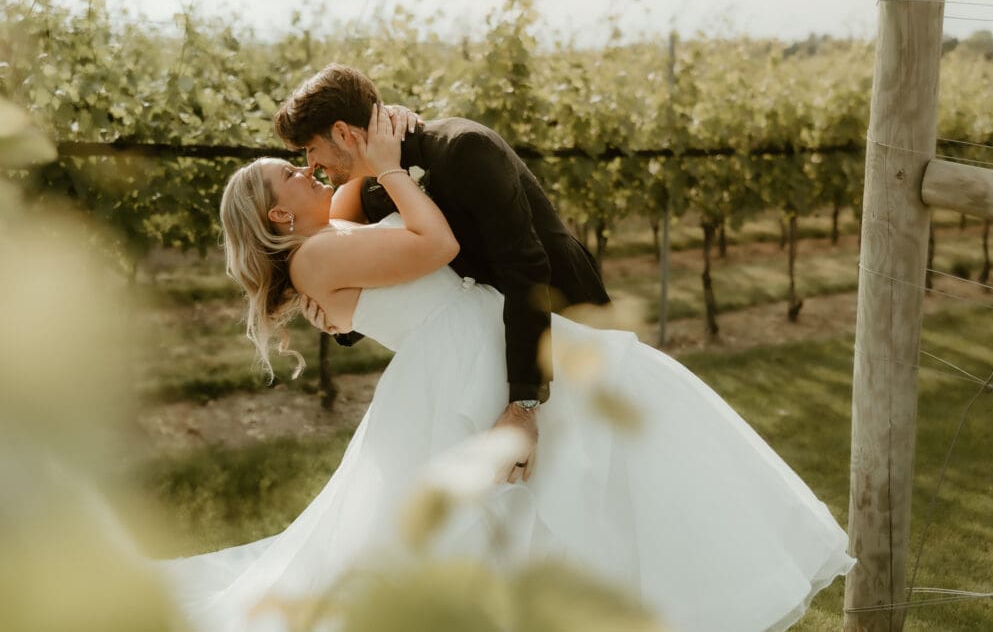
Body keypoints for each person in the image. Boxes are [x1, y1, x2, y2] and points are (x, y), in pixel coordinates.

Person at [156, 104, 854, 631]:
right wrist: (394, 168)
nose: (305, 169)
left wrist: (375, 146)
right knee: (520, 506)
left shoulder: (327, 231)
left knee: (549, 496)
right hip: (463, 359)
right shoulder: (314, 256)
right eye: (290, 173)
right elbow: (435, 244)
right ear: (279, 213)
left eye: (303, 156)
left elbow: (347, 195)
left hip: (474, 340)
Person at [273, 64, 611, 481]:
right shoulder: (376, 188)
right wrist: (343, 320)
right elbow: (403, 278)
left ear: (343, 133)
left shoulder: (464, 148)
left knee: (594, 473)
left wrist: (524, 405)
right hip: (493, 344)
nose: (310, 166)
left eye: (310, 149)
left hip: (564, 320)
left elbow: (526, 268)